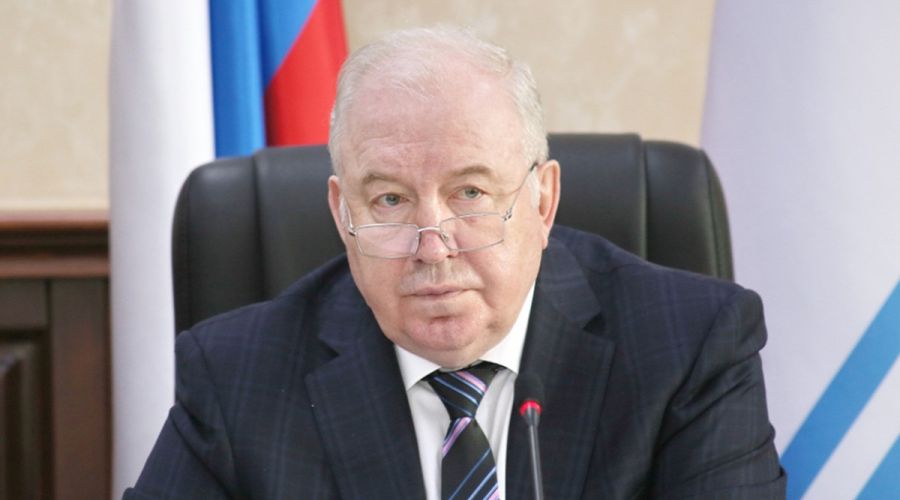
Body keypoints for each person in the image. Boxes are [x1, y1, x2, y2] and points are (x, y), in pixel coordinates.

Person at [125, 26, 786, 499]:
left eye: (470, 194)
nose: (432, 246)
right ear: (342, 214)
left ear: (543, 201)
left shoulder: (688, 347)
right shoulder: (238, 375)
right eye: (390, 200)